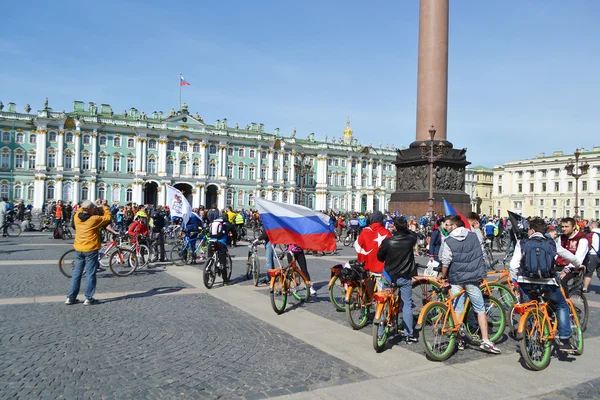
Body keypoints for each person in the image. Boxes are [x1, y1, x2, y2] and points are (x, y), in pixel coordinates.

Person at [509, 217, 580, 349]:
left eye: (529, 229)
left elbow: (513, 266)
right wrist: (578, 264)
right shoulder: (551, 243)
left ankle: (531, 335)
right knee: (562, 305)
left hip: (526, 282)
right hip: (548, 282)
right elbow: (571, 257)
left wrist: (514, 282)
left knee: (529, 308)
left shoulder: (522, 243)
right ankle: (565, 338)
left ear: (533, 230)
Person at [439, 215, 501, 354]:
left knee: (457, 309)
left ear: (454, 226)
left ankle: (459, 339)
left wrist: (443, 276)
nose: (445, 227)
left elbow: (446, 261)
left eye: (448, 225)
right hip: (472, 278)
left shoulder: (448, 240)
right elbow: (481, 254)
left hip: (456, 279)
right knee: (479, 308)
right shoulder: (473, 236)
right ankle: (485, 340)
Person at [377, 217, 419, 343]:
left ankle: (380, 333)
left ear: (394, 227)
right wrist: (405, 229)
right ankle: (408, 334)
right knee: (407, 304)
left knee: (383, 303)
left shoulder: (387, 242)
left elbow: (380, 258)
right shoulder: (411, 239)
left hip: (389, 276)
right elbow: (413, 234)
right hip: (405, 277)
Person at [66, 199, 112, 305]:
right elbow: (108, 217)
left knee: (76, 274)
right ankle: (89, 298)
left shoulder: (77, 217)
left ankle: (70, 297)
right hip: (91, 249)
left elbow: (80, 209)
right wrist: (104, 206)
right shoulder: (94, 219)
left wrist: (91, 204)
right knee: (90, 274)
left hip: (79, 248)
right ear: (91, 209)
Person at [354, 211, 391, 289]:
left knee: (368, 288)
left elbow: (357, 246)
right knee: (382, 292)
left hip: (368, 265)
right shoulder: (386, 232)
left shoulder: (365, 231)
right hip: (381, 267)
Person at [556, 217, 589, 289]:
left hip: (574, 267)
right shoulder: (561, 237)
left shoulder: (581, 239)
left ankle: (565, 299)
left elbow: (579, 258)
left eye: (566, 227)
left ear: (574, 227)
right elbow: (556, 253)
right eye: (562, 227)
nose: (564, 229)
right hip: (559, 264)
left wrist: (566, 270)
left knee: (563, 281)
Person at [208, 212, 230, 284]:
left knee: (209, 259)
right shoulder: (227, 224)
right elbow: (234, 233)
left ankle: (207, 269)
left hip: (211, 241)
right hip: (221, 243)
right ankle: (225, 281)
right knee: (222, 262)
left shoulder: (214, 222)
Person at [583, 220, 600, 293]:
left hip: (593, 255)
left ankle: (585, 288)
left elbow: (587, 245)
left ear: (592, 226)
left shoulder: (591, 235)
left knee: (589, 272)